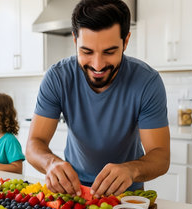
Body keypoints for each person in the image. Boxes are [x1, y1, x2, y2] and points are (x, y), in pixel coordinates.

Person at [26, 0, 170, 198]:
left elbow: (160, 155)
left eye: (109, 52)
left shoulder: (147, 82)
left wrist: (131, 170)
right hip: (73, 191)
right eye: (87, 52)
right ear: (75, 41)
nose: (98, 65)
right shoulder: (57, 77)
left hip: (126, 194)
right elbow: (34, 143)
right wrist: (51, 163)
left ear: (126, 41)